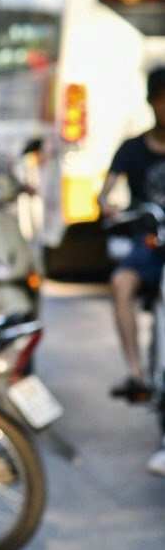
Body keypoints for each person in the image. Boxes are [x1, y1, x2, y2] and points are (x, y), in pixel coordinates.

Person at [98, 66, 165, 405]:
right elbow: (105, 192)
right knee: (121, 282)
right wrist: (108, 205)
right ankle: (136, 373)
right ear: (151, 103)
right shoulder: (132, 148)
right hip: (150, 241)